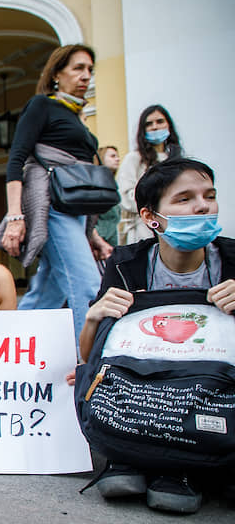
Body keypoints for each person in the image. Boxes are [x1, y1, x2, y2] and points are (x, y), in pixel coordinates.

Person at [78, 157, 234, 514]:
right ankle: (151, 461)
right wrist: (93, 319)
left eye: (209, 195)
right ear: (151, 218)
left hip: (212, 392)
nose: (202, 206)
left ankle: (156, 463)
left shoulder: (232, 258)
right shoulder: (125, 263)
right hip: (144, 390)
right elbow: (91, 356)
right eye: (184, 199)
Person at [0, 44, 111, 349]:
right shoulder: (41, 105)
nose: (86, 76)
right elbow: (17, 159)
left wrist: (94, 235)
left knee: (45, 295)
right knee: (88, 287)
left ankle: (6, 352)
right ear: (56, 74)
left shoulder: (77, 116)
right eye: (78, 68)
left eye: (90, 69)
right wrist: (15, 217)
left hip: (75, 213)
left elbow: (78, 182)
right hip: (50, 208)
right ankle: (91, 368)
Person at [117, 105, 183, 245]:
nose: (155, 127)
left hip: (175, 226)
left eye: (160, 122)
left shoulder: (177, 160)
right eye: (149, 124)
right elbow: (125, 196)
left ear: (168, 125)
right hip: (144, 227)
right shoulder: (134, 158)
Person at [93, 146, 121, 249]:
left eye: (117, 156)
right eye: (112, 156)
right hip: (98, 241)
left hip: (111, 241)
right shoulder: (95, 184)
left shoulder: (113, 184)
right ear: (101, 158)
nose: (117, 159)